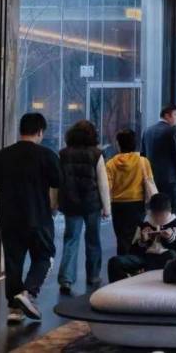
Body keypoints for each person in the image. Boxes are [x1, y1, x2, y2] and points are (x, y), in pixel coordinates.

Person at [0, 113, 60, 323]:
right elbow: (58, 181)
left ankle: (14, 309)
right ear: (40, 132)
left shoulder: (4, 155)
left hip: (9, 217)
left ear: (21, 130)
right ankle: (28, 293)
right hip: (38, 216)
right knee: (44, 255)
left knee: (13, 261)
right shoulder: (46, 155)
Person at [57, 120, 111, 294]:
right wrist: (107, 207)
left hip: (71, 203)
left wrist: (54, 203)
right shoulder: (96, 154)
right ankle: (93, 275)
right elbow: (103, 183)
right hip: (92, 203)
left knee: (70, 240)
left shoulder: (63, 154)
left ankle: (66, 279)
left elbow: (57, 182)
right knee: (93, 240)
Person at [107, 193, 176, 282]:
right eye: (155, 215)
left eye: (161, 215)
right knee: (115, 262)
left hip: (166, 260)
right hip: (145, 258)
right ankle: (124, 285)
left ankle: (140, 274)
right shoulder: (145, 224)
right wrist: (143, 241)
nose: (158, 219)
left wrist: (172, 239)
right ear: (151, 212)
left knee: (171, 255)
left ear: (169, 212)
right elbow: (132, 252)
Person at [106, 129, 154, 255]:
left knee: (121, 238)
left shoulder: (110, 164)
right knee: (137, 237)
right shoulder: (143, 161)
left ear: (118, 144)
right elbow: (150, 182)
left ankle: (122, 262)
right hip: (137, 204)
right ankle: (135, 262)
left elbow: (108, 187)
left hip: (117, 205)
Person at [141, 104, 176, 217]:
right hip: (170, 181)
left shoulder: (147, 131)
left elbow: (143, 156)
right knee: (174, 211)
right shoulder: (171, 131)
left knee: (155, 211)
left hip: (153, 181)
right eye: (175, 115)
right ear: (167, 115)